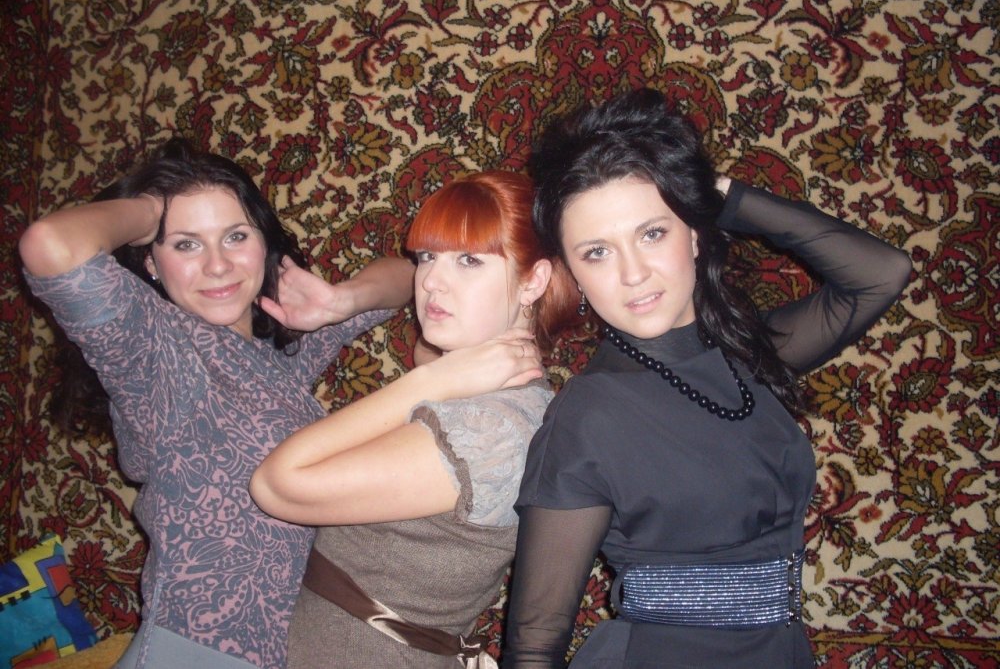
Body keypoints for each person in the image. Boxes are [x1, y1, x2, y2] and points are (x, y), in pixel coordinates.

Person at [501, 88, 912, 668]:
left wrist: (715, 192)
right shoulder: (587, 416)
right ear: (575, 276)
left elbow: (882, 273)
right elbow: (534, 641)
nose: (633, 273)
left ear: (694, 234)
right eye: (597, 252)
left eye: (652, 233)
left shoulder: (750, 355)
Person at [19, 137, 415, 669]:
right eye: (186, 245)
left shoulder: (282, 359)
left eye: (235, 236)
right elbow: (50, 245)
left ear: (264, 245)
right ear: (151, 261)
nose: (218, 265)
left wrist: (340, 300)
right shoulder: (155, 351)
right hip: (194, 651)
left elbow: (410, 276)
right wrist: (154, 207)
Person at [250, 170, 578, 668]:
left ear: (533, 281)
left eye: (469, 260)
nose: (431, 281)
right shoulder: (489, 383)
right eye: (428, 256)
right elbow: (403, 281)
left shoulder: (492, 430)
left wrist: (431, 381)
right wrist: (342, 301)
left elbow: (275, 485)